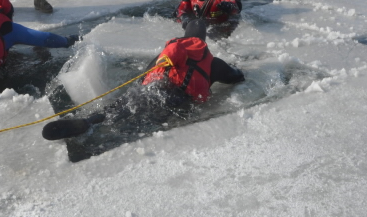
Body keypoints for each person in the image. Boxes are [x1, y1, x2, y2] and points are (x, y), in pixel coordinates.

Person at [41, 19, 245, 146]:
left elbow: (146, 76)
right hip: (180, 102)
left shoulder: (170, 52)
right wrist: (240, 66)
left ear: (186, 35)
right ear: (203, 40)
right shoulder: (214, 64)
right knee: (147, 122)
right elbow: (236, 76)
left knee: (121, 108)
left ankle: (90, 122)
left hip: (152, 89)